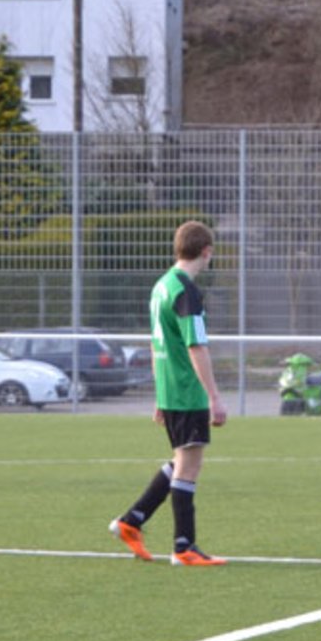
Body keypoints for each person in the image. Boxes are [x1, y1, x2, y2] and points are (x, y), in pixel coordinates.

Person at [109, 220, 228, 566]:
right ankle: (184, 547)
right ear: (206, 251)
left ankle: (132, 521)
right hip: (187, 390)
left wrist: (160, 394)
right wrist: (214, 397)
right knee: (189, 465)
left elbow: (155, 341)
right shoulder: (186, 291)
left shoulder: (161, 286)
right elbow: (196, 345)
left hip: (172, 389)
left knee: (181, 461)